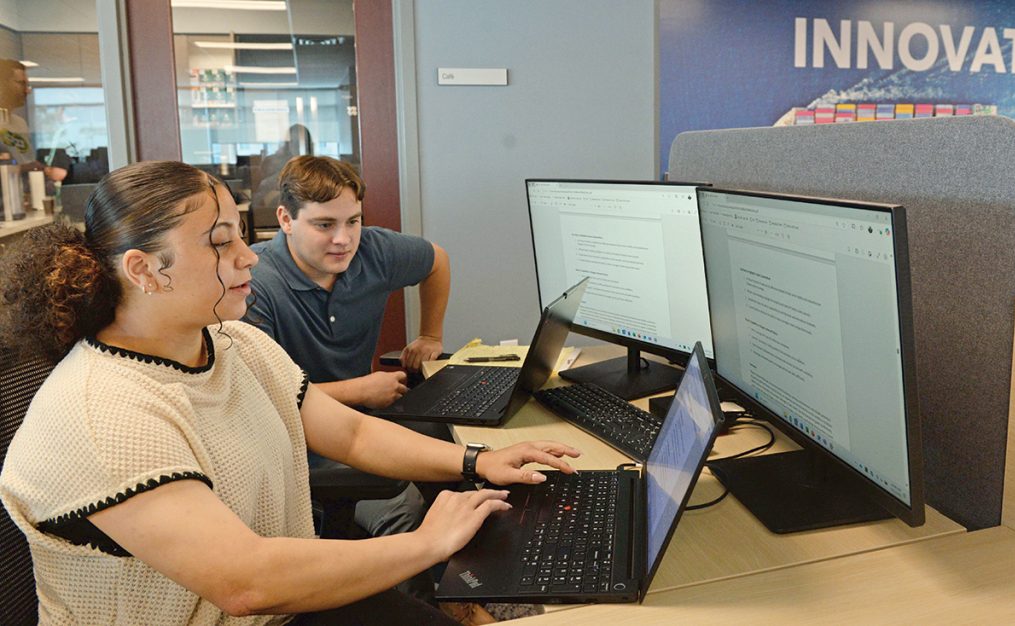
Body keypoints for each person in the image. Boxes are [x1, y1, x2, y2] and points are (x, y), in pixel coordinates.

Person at [0, 160, 580, 625]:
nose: (249, 256)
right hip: (261, 600)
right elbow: (245, 581)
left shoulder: (232, 345)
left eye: (242, 236)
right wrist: (428, 544)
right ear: (145, 270)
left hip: (287, 606)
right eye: (221, 242)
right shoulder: (101, 412)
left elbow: (349, 431)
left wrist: (479, 459)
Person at [246, 155, 449, 411]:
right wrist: (359, 391)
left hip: (361, 425)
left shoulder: (373, 249)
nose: (343, 239)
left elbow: (437, 261)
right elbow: (258, 395)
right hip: (291, 433)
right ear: (286, 220)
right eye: (324, 224)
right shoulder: (252, 280)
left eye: (353, 221)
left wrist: (430, 336)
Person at [0, 58, 67, 181]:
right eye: (21, 83)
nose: (27, 90)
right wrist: (25, 168)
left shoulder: (20, 124)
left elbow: (28, 162)